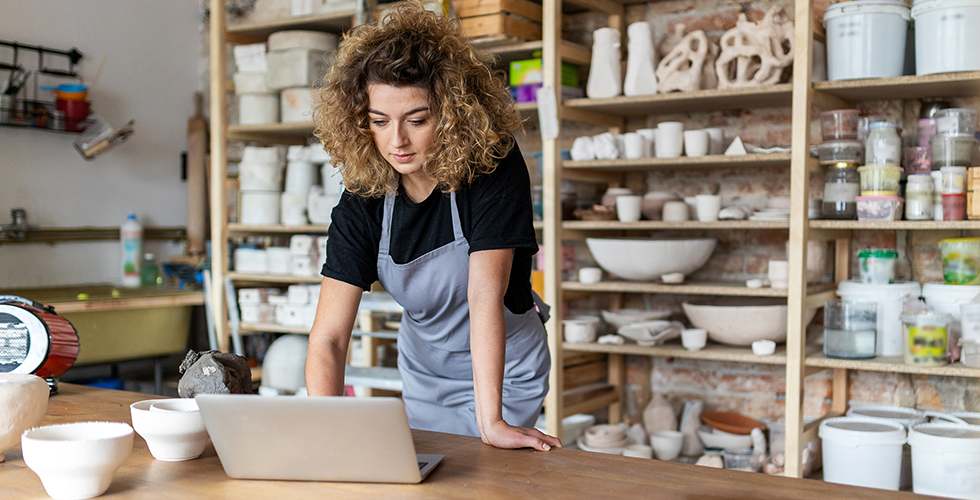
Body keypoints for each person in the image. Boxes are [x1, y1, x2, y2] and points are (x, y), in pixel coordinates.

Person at [305, 1, 560, 452]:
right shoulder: (364, 198)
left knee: (482, 474)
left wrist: (493, 422)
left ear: (452, 114)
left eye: (417, 120)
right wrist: (329, 433)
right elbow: (328, 337)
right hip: (424, 372)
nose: (396, 141)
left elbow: (484, 296)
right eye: (379, 121)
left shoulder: (492, 166)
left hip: (504, 370)